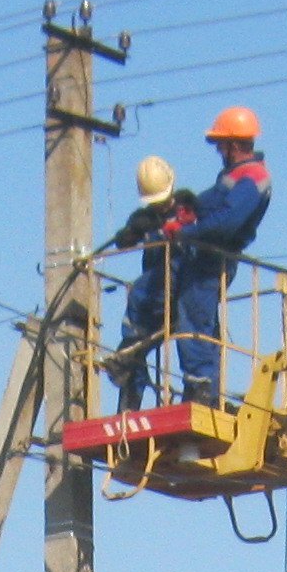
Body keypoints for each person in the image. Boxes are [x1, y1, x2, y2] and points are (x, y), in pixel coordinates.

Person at [145, 106, 272, 407]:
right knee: (196, 318)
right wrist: (181, 210)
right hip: (203, 257)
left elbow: (227, 220)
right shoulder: (234, 177)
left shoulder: (253, 179)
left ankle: (201, 389)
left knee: (193, 318)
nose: (218, 150)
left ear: (233, 144)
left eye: (220, 144)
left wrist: (187, 231)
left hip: (213, 259)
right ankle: (205, 389)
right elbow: (208, 204)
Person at [106, 154, 196, 409]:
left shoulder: (188, 207)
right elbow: (125, 241)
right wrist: (131, 231)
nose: (160, 207)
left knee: (191, 341)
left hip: (180, 283)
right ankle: (128, 402)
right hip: (156, 288)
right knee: (134, 338)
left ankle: (197, 391)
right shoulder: (145, 218)